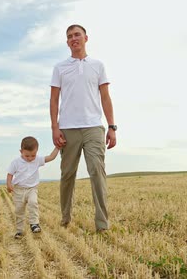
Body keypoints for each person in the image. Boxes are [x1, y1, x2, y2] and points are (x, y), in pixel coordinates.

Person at [50, 24, 117, 233]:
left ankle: (102, 225)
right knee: (67, 174)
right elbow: (53, 100)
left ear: (86, 38)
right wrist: (55, 127)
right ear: (67, 42)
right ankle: (65, 219)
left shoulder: (97, 65)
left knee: (97, 172)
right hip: (68, 128)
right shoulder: (60, 67)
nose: (73, 38)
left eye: (77, 34)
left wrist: (112, 126)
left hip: (93, 127)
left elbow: (105, 97)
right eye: (69, 36)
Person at [6, 136, 60, 239]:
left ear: (37, 151)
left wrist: (57, 147)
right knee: (19, 211)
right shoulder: (16, 162)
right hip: (18, 190)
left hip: (32, 189)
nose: (30, 158)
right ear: (21, 151)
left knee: (33, 202)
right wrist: (9, 184)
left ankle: (34, 224)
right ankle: (19, 231)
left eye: (33, 155)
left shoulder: (38, 160)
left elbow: (51, 157)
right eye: (27, 156)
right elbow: (10, 174)